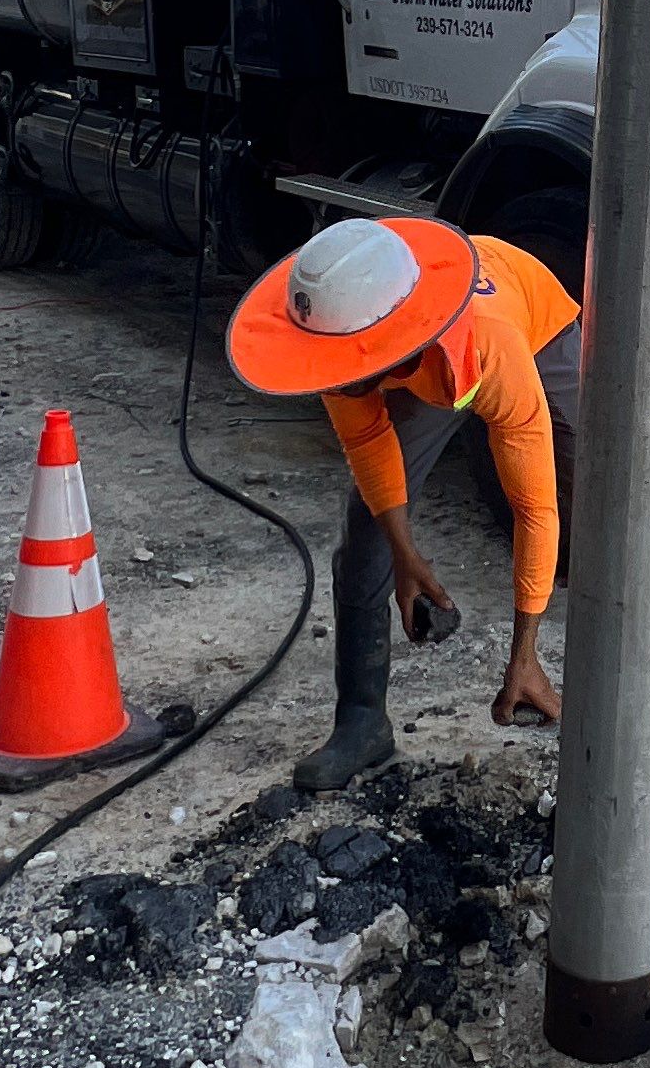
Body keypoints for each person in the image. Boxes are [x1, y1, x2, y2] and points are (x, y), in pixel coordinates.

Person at [228, 214, 580, 792]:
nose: (335, 387)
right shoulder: (340, 342)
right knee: (365, 539)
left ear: (389, 349)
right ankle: (362, 723)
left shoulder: (491, 347)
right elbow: (368, 445)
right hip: (422, 353)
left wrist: (524, 655)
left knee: (603, 512)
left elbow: (534, 507)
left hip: (533, 333)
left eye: (349, 378)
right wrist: (403, 555)